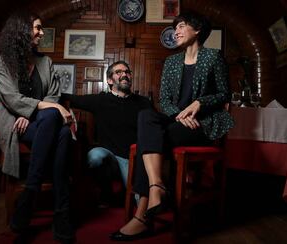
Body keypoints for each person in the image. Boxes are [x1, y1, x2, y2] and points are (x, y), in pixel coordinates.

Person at [110, 11, 234, 241]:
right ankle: (157, 186)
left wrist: (199, 102)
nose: (175, 31)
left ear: (197, 30)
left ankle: (141, 217)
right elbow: (165, 100)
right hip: (177, 121)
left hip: (202, 123)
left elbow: (224, 94)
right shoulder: (172, 61)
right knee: (146, 115)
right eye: (175, 27)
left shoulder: (214, 57)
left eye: (181, 26)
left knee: (151, 140)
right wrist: (179, 115)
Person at [0, 10, 74, 243]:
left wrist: (36, 113)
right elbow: (10, 97)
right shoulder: (1, 62)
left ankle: (31, 190)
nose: (41, 33)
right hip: (15, 124)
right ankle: (62, 212)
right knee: (60, 129)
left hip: (39, 122)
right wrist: (40, 110)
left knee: (58, 126)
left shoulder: (45, 61)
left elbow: (54, 94)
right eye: (37, 28)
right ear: (21, 32)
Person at [62, 61, 152, 205]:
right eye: (119, 72)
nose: (124, 75)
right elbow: (67, 98)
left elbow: (153, 129)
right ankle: (106, 192)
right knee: (95, 156)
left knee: (138, 201)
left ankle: (124, 193)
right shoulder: (100, 100)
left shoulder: (143, 103)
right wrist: (53, 104)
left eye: (127, 72)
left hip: (133, 158)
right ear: (109, 80)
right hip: (108, 155)